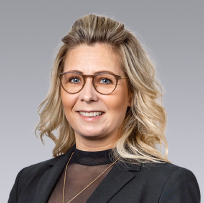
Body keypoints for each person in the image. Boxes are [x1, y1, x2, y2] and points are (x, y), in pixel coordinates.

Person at [8, 14, 200, 203]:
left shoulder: (167, 184)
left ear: (131, 94)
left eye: (105, 80)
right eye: (74, 79)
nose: (88, 95)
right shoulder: (27, 181)